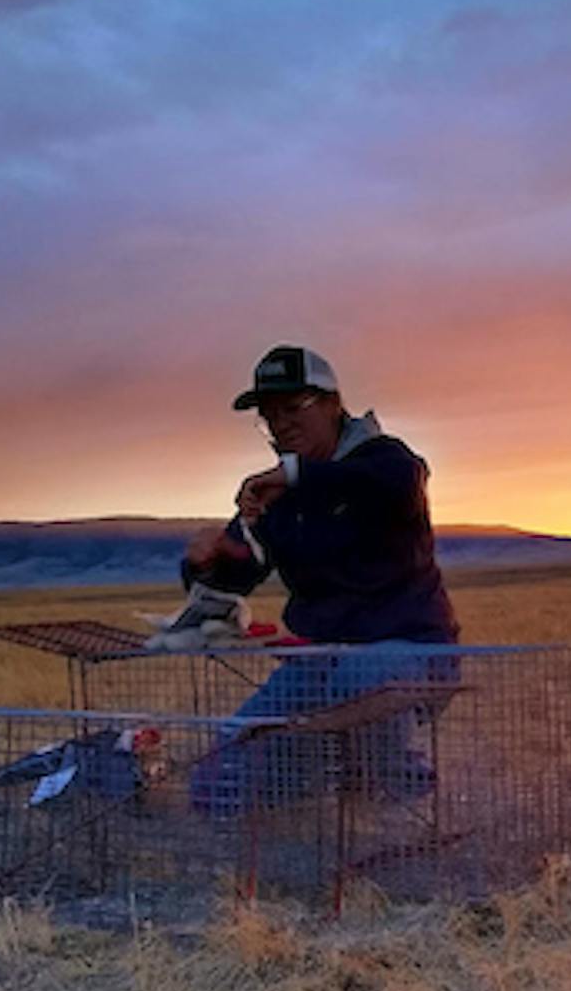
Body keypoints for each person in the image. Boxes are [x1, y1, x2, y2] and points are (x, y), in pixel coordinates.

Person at [184, 344, 459, 813]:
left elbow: (400, 479)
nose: (281, 424)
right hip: (320, 662)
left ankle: (395, 797)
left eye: (293, 407)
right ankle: (306, 790)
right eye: (270, 416)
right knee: (221, 778)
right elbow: (233, 581)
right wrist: (209, 561)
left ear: (333, 404)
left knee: (357, 683)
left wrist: (296, 475)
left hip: (412, 652)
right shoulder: (278, 495)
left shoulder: (382, 462)